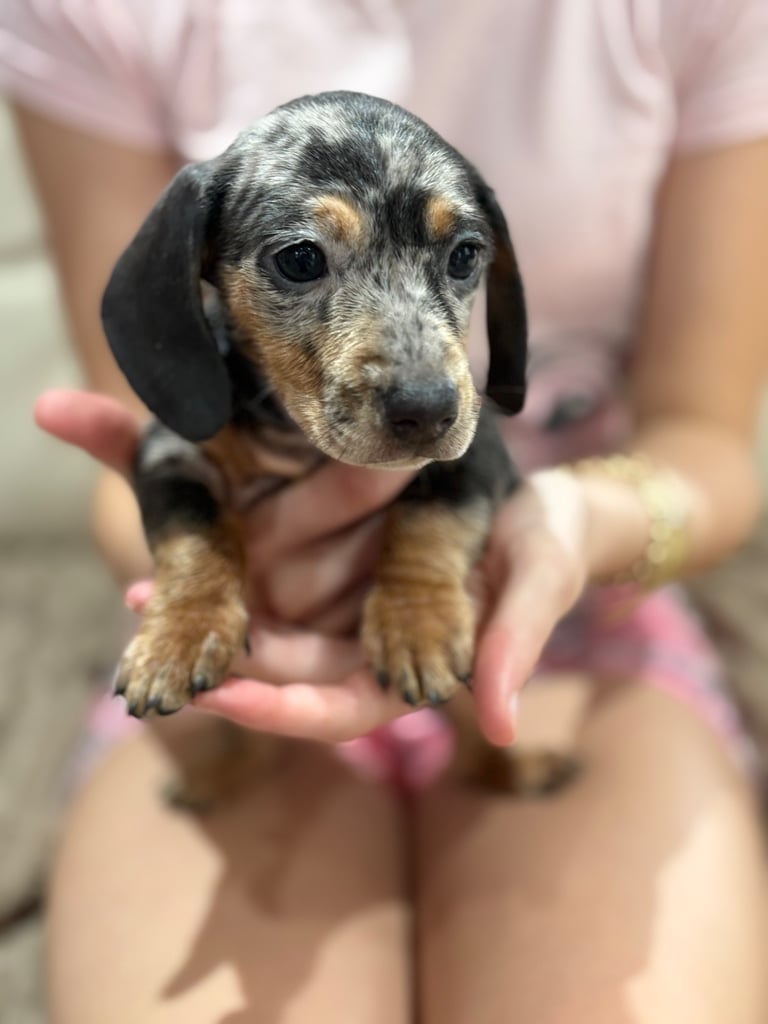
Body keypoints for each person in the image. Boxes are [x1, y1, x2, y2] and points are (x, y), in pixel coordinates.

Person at [3, 1, 768, 1020]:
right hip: (243, 666)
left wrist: (568, 528)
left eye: (457, 262)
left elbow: (705, 436)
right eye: (302, 262)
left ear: (495, 281)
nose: (420, 378)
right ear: (192, 278)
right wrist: (213, 586)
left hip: (562, 619)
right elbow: (148, 453)